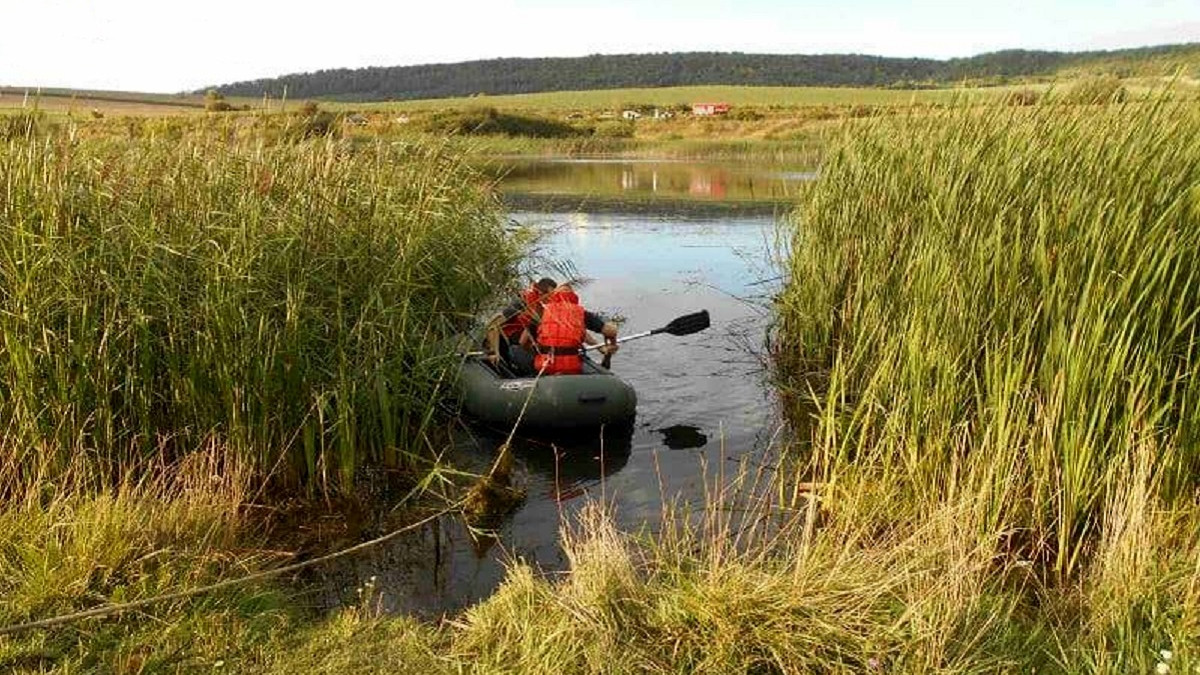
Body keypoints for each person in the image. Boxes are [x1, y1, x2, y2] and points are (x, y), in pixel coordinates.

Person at [484, 278, 617, 375]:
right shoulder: (522, 303)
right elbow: (493, 325)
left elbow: (577, 330)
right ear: (542, 293)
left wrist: (600, 348)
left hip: (529, 338)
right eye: (550, 296)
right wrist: (493, 352)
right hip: (508, 338)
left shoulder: (547, 310)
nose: (553, 299)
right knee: (517, 350)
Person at [521, 283, 618, 375]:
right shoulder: (580, 312)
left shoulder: (541, 314)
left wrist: (537, 352)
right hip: (571, 366)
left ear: (553, 296)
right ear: (574, 297)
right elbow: (611, 331)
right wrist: (612, 344)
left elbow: (523, 342)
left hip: (545, 365)